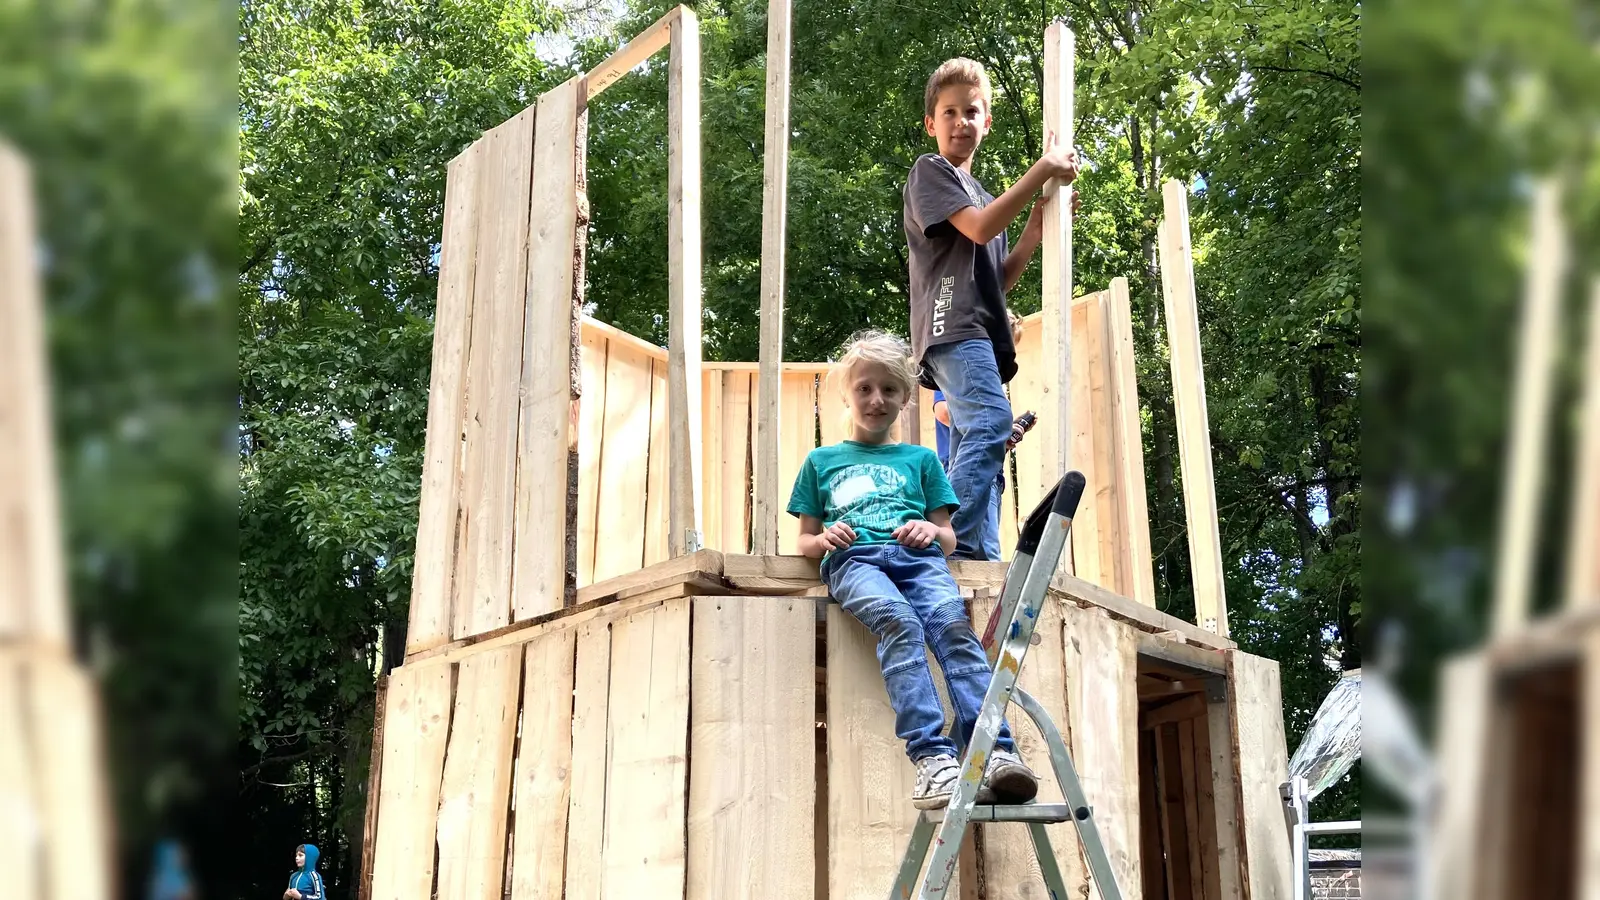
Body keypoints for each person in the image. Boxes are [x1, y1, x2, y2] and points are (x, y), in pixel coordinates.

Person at [788, 330, 1037, 810]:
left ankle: (995, 751)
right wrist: (822, 541)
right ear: (847, 393)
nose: (876, 399)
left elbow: (948, 538)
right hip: (855, 561)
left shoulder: (922, 461)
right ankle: (932, 760)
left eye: (888, 390)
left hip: (919, 562)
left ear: (905, 398)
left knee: (953, 629)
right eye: (864, 388)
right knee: (899, 622)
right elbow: (804, 539)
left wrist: (928, 529)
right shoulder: (821, 462)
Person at [904, 56, 1080, 559]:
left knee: (973, 452)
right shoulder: (931, 172)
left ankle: (972, 556)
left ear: (987, 121)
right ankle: (939, 532)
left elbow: (996, 279)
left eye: (972, 112)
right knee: (990, 423)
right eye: (950, 112)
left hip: (976, 325)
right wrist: (1041, 169)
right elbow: (978, 228)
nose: (961, 122)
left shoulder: (980, 193)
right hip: (952, 326)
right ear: (931, 123)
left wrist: (1032, 231)